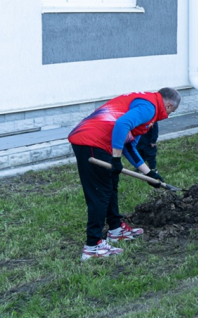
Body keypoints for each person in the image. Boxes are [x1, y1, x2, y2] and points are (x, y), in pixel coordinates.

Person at [67, 87, 181, 261]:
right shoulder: (149, 107)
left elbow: (128, 145)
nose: (169, 114)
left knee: (110, 186)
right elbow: (122, 124)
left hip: (96, 142)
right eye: (172, 111)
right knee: (100, 193)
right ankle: (92, 246)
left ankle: (115, 230)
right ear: (170, 104)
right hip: (91, 141)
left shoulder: (147, 103)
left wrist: (149, 173)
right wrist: (115, 157)